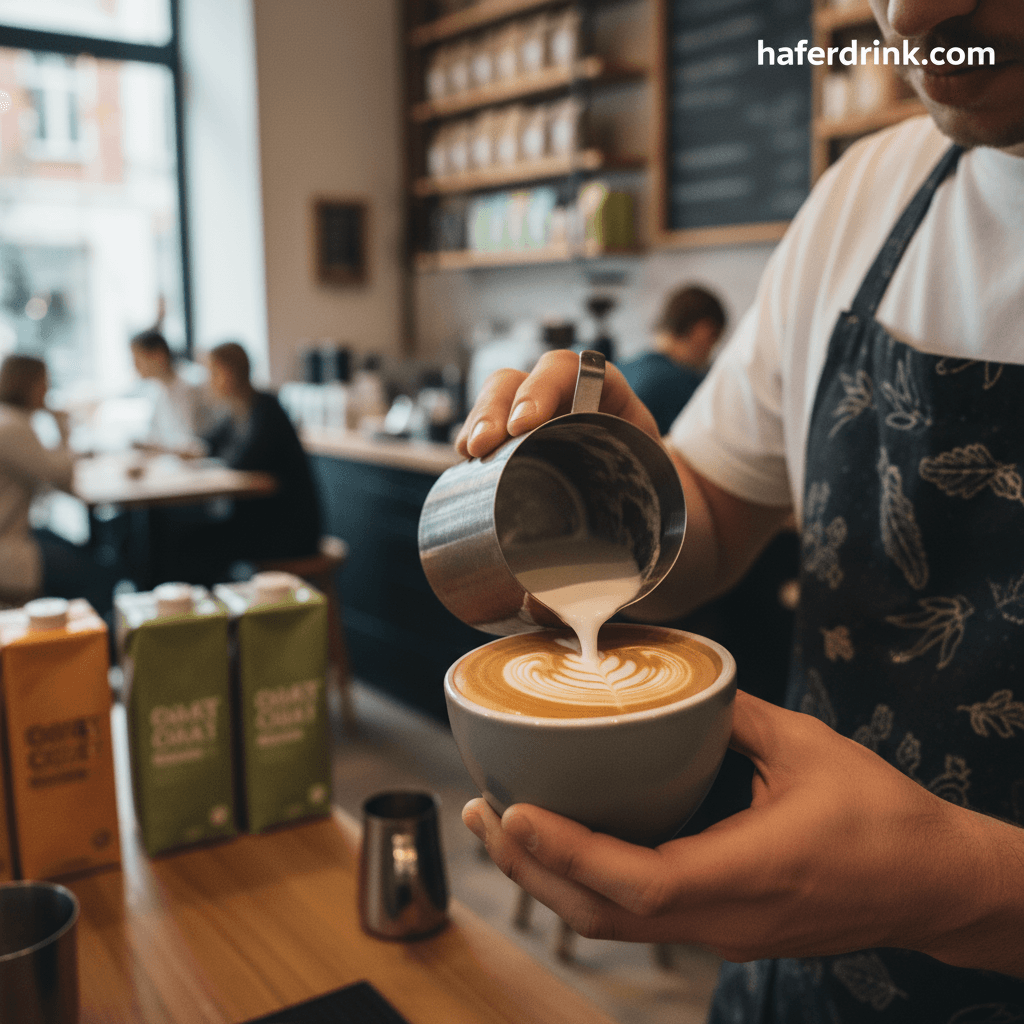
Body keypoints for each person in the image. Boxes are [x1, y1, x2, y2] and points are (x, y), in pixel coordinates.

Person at [452, 0, 1024, 1018]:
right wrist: (627, 491)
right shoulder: (865, 195)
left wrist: (962, 891)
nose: (915, 14)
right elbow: (714, 508)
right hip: (793, 983)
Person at [166, 342, 321, 584]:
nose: (209, 382)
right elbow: (206, 444)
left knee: (189, 547)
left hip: (287, 531)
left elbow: (243, 461)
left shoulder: (267, 409)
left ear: (228, 372)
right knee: (181, 537)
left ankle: (211, 616)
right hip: (257, 522)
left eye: (212, 373)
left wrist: (207, 460)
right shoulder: (236, 410)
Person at [0, 355, 115, 613]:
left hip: (15, 532)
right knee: (100, 575)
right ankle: (92, 646)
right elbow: (61, 477)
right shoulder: (13, 427)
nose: (47, 391)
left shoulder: (9, 420)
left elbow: (48, 474)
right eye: (45, 383)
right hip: (9, 548)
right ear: (29, 384)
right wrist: (63, 429)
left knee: (81, 551)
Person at [618, 285, 727, 436]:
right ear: (702, 331)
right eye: (713, 340)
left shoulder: (622, 368)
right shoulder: (683, 384)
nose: (712, 351)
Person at [130, 329, 211, 455]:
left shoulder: (190, 385)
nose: (135, 366)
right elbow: (153, 435)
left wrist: (158, 447)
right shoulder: (157, 389)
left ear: (158, 356)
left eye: (138, 359)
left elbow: (191, 445)